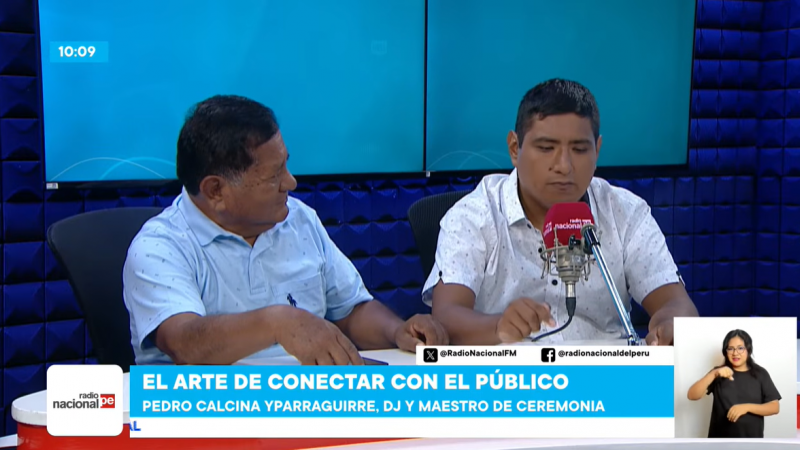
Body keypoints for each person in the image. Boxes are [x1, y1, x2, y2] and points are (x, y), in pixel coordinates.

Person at [123, 95, 449, 366]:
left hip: (306, 404)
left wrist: (396, 331)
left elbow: (350, 310)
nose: (290, 183)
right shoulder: (160, 247)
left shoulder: (299, 219)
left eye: (286, 165)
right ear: (215, 191)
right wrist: (276, 322)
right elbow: (184, 343)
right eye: (273, 176)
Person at [422, 78, 698, 345]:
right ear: (515, 149)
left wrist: (672, 325)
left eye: (579, 149)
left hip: (604, 370)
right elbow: (446, 317)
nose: (564, 166)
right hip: (511, 371)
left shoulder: (625, 213)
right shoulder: (475, 215)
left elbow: (676, 303)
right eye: (546, 148)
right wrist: (498, 327)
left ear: (597, 150)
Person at [686, 329, 781, 438]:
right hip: (719, 441)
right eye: (730, 348)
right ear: (725, 351)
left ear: (748, 349)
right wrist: (713, 374)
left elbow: (774, 407)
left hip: (751, 441)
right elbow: (692, 395)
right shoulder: (718, 372)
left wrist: (746, 407)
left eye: (740, 348)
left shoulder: (760, 374)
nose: (735, 353)